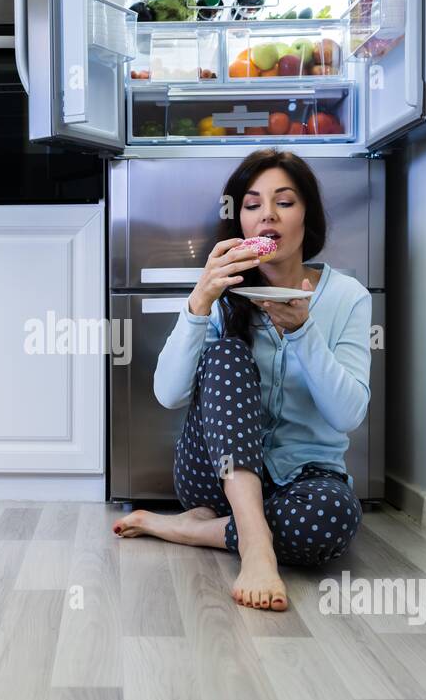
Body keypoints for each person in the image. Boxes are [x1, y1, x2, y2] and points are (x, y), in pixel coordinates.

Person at [112, 149, 372, 612]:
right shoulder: (224, 293)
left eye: (284, 202)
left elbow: (348, 415)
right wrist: (199, 301)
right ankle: (255, 544)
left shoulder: (347, 297)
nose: (267, 215)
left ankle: (192, 528)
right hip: (215, 477)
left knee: (333, 520)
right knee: (227, 352)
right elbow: (169, 395)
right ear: (240, 223)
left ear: (306, 215)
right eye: (251, 205)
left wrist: (303, 332)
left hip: (304, 478)